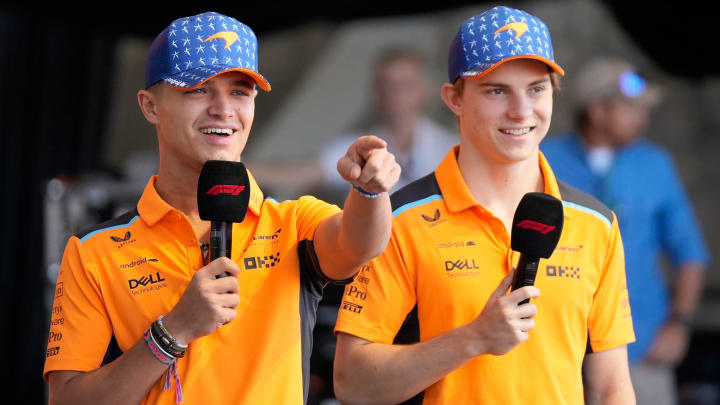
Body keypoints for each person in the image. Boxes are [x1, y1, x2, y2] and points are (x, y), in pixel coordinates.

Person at [43, 11, 400, 405]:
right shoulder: (95, 250)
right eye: (199, 89)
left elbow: (361, 243)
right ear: (150, 106)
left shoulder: (294, 222)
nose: (223, 109)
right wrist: (172, 332)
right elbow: (67, 400)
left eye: (240, 91)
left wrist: (370, 190)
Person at [333, 6, 636, 405]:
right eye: (497, 90)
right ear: (454, 99)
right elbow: (352, 384)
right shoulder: (397, 220)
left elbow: (612, 386)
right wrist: (474, 338)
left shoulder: (595, 223)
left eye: (536, 88)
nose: (521, 111)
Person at [541, 57, 710, 405]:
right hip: (556, 349)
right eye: (631, 109)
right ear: (598, 111)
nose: (642, 118)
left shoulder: (655, 162)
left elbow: (690, 253)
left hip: (641, 346)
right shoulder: (544, 158)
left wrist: (679, 323)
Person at [249, 46, 457, 202]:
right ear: (376, 91)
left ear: (426, 89)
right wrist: (230, 167)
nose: (396, 92)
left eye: (406, 84)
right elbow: (299, 173)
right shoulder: (357, 147)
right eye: (386, 84)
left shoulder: (452, 148)